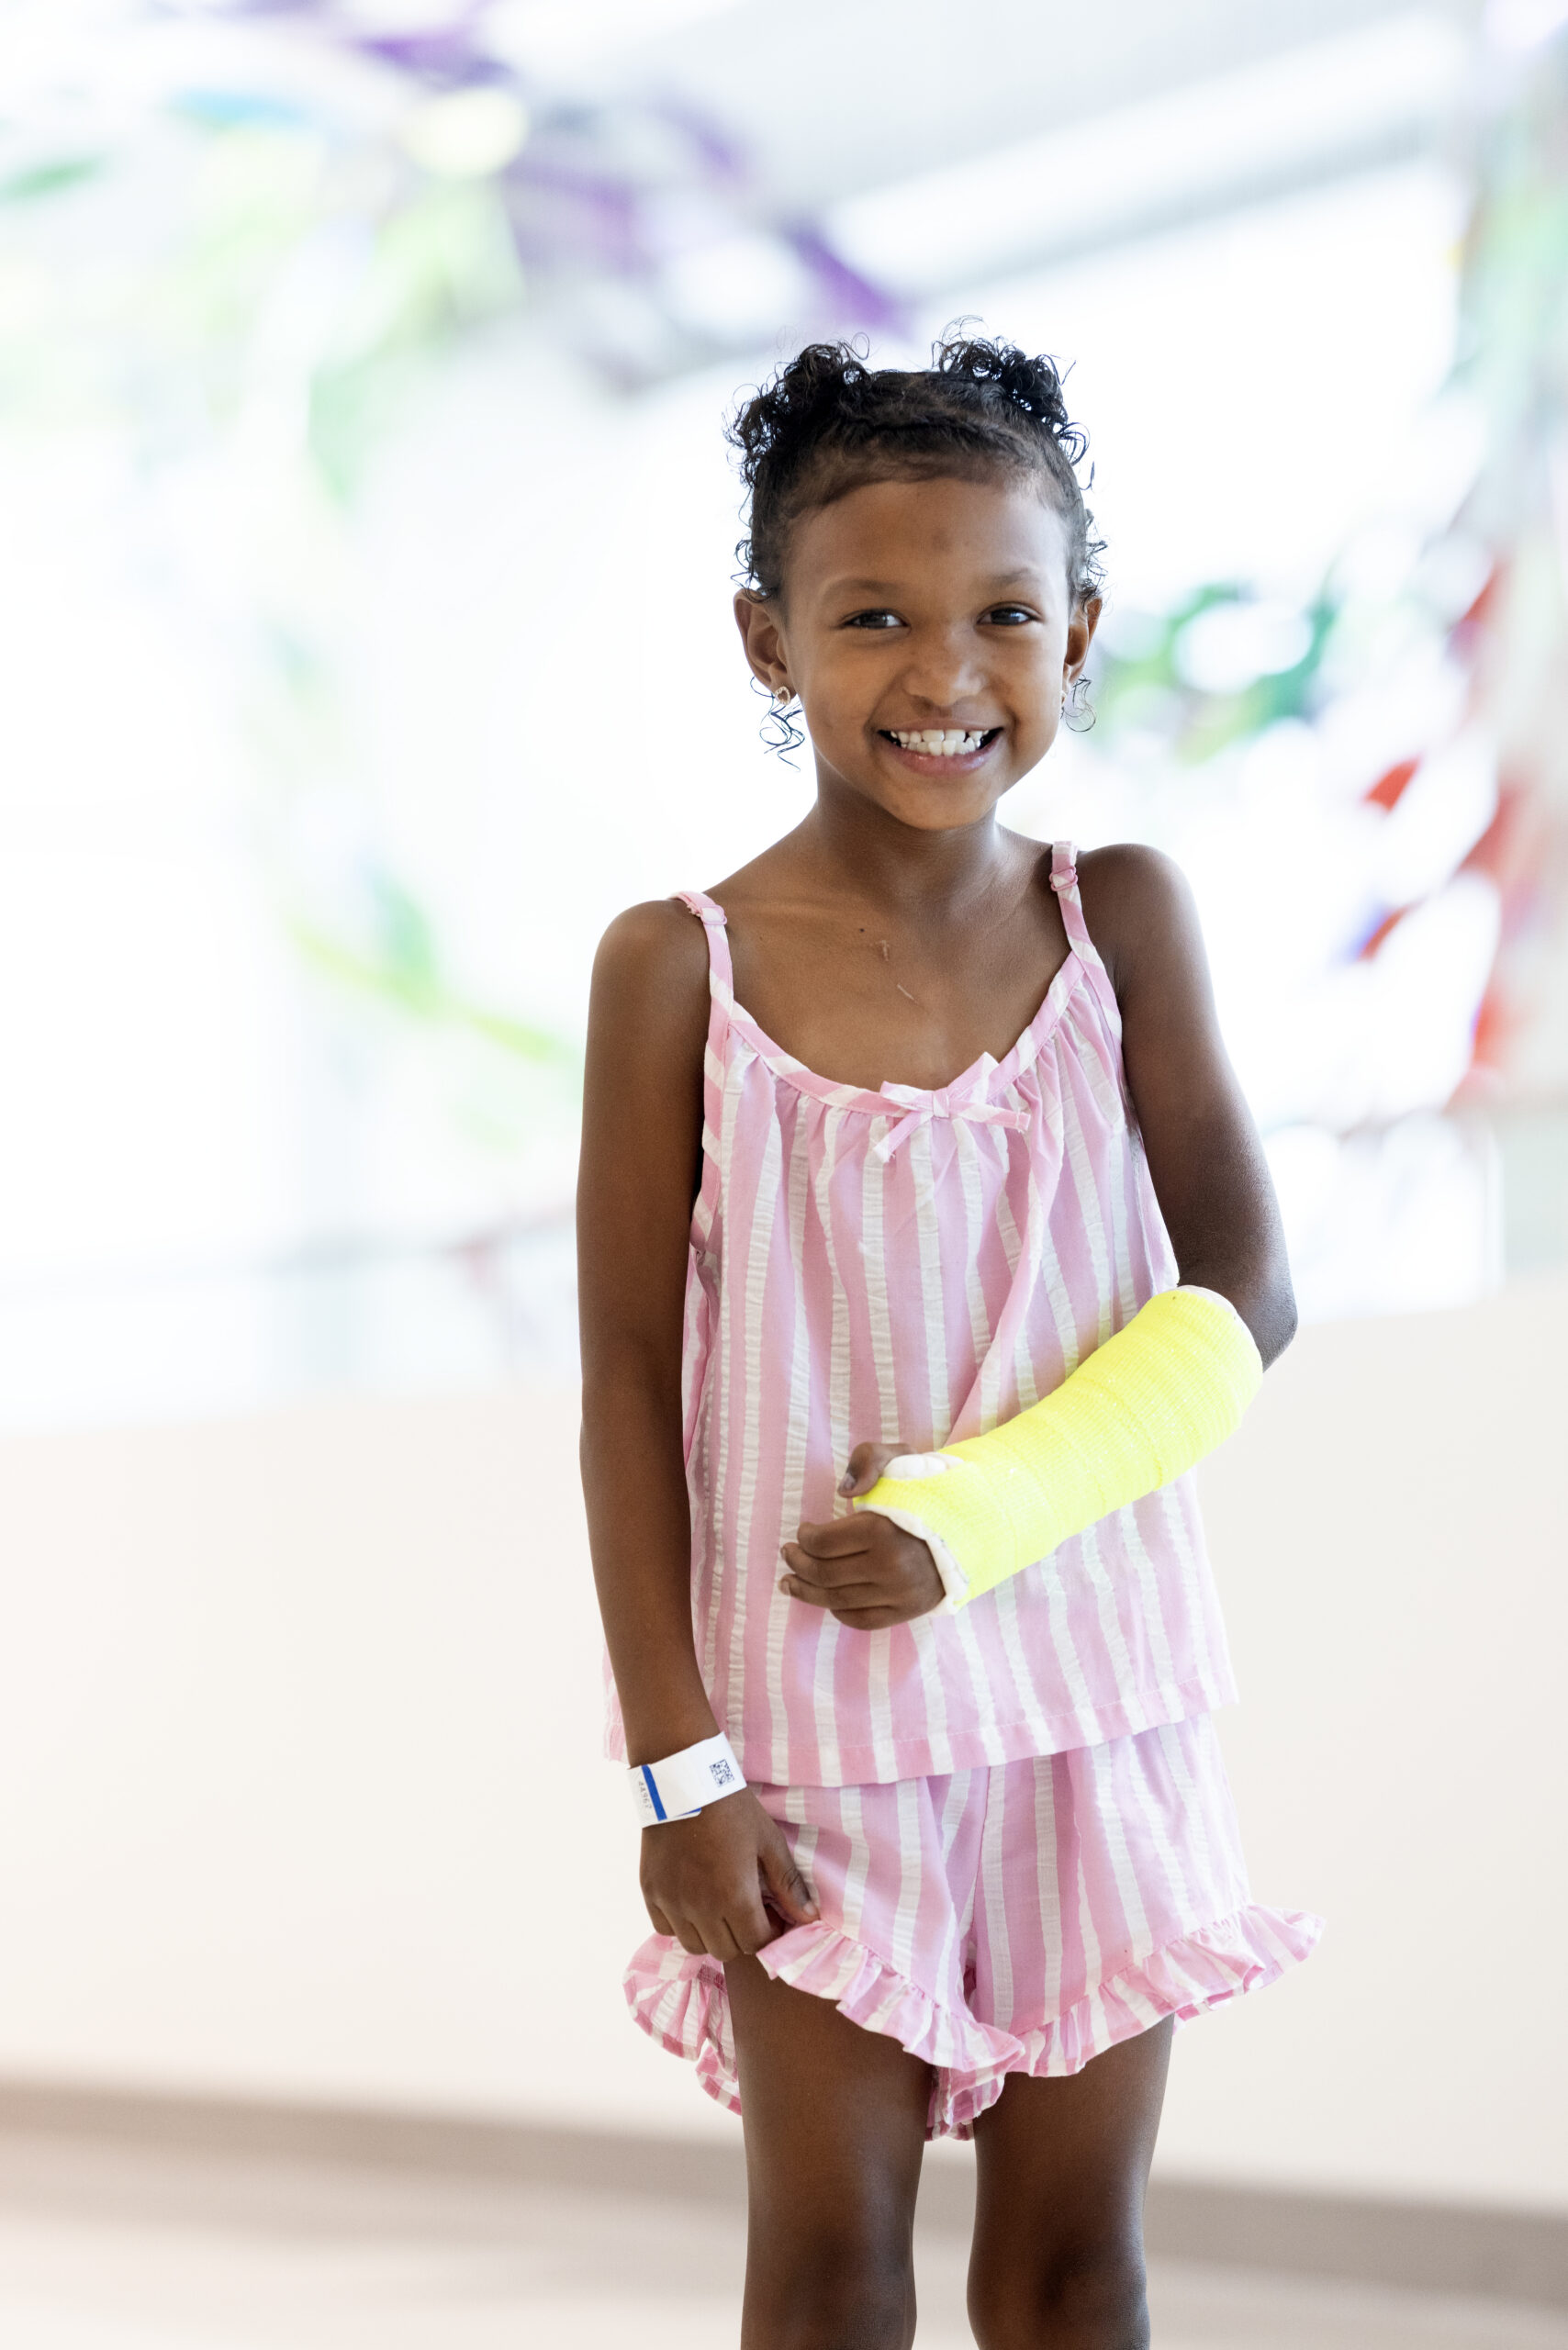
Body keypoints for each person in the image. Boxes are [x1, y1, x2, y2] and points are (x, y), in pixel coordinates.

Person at [577, 334, 1320, 2350]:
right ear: (765, 637)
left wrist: (983, 1511)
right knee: (826, 2278)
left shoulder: (1119, 919)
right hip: (809, 1743)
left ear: (1076, 630)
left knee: (1078, 2277)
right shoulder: (679, 969)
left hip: (1096, 1696)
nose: (945, 670)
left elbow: (1242, 1286)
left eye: (1004, 612)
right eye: (872, 616)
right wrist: (676, 1776)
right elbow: (625, 1396)